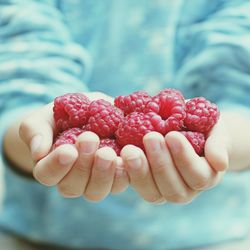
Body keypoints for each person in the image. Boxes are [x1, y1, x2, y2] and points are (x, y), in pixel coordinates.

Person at [1, 0, 250, 249]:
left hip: (212, 236)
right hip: (39, 235)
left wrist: (221, 140)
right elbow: (21, 86)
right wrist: (42, 140)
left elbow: (241, 93)